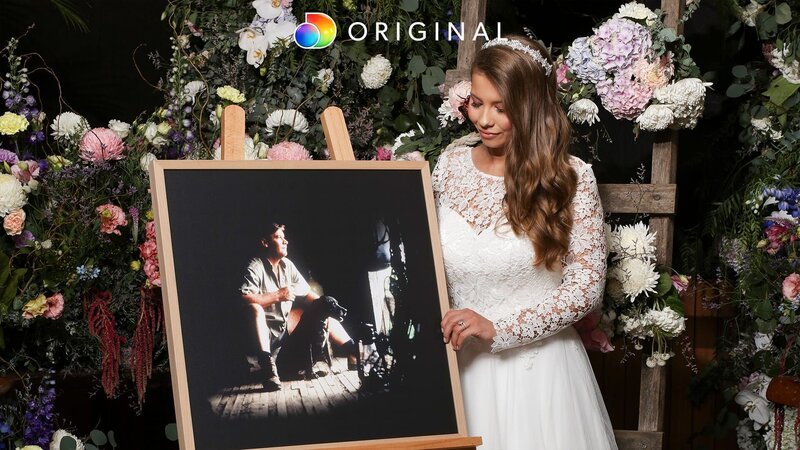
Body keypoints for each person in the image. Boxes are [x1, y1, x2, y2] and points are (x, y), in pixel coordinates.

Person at [433, 35, 617, 449]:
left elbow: (585, 290)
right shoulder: (449, 165)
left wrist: (499, 329)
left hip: (540, 380)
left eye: (502, 107)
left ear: (531, 106)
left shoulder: (570, 177)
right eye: (477, 103)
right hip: (456, 372)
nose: (485, 119)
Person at [239, 223, 357, 391]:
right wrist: (278, 295)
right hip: (265, 340)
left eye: (284, 237)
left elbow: (310, 295)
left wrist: (325, 308)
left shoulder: (287, 265)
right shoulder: (255, 267)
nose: (285, 241)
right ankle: (268, 369)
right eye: (279, 237)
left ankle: (353, 351)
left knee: (320, 308)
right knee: (254, 308)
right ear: (265, 242)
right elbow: (244, 298)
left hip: (284, 335)